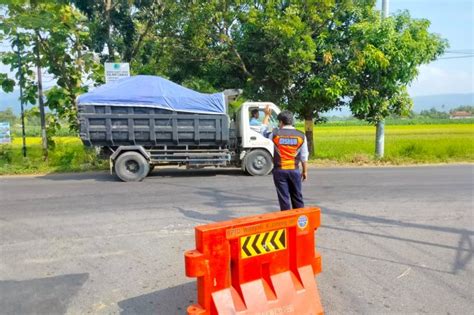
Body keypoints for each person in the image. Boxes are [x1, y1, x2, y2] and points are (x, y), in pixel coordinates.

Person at [261, 105, 308, 211]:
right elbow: (304, 156)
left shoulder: (275, 134)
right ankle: (300, 222)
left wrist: (267, 115)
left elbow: (263, 130)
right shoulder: (301, 136)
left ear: (281, 122)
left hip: (280, 171)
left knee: (284, 199)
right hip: (294, 171)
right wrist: (305, 171)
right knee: (297, 197)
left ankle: (287, 223)